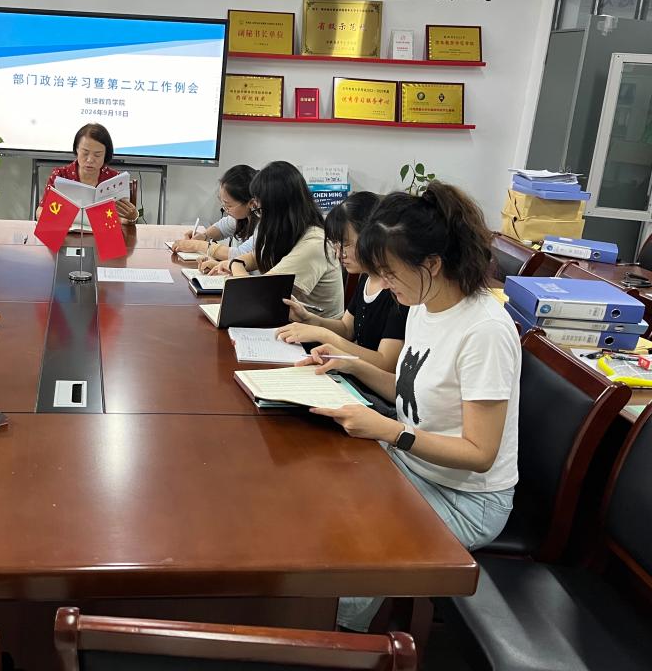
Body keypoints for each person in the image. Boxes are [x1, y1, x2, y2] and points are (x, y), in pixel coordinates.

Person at [301, 183, 520, 632]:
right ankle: (305, 612)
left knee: (363, 537)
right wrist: (350, 364)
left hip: (466, 499)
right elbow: (409, 390)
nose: (382, 284)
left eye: (389, 273)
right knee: (318, 484)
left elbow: (480, 453)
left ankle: (339, 639)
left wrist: (388, 430)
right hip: (414, 464)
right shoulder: (423, 303)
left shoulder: (485, 331)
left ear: (432, 264)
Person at [275, 192, 407, 373]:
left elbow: (385, 363)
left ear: (371, 236)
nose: (339, 254)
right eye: (336, 245)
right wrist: (308, 318)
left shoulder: (399, 290)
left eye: (346, 244)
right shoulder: (366, 277)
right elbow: (346, 329)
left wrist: (323, 335)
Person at [206, 161, 344, 318]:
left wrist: (235, 265)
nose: (259, 216)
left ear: (278, 209)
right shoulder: (289, 229)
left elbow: (260, 296)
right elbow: (258, 256)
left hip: (313, 330)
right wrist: (234, 262)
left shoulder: (313, 243)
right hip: (287, 321)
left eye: (260, 209)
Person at [36, 123, 139, 224]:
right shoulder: (60, 175)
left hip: (103, 232)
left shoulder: (115, 180)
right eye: (85, 153)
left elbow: (124, 220)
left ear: (106, 154)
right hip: (66, 232)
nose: (90, 160)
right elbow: (41, 211)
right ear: (77, 149)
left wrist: (132, 217)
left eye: (97, 155)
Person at [171, 165, 256, 262]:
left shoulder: (263, 225)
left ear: (251, 203)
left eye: (229, 205)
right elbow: (221, 227)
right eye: (222, 203)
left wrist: (197, 245)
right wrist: (204, 236)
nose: (225, 209)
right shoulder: (243, 216)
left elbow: (240, 255)